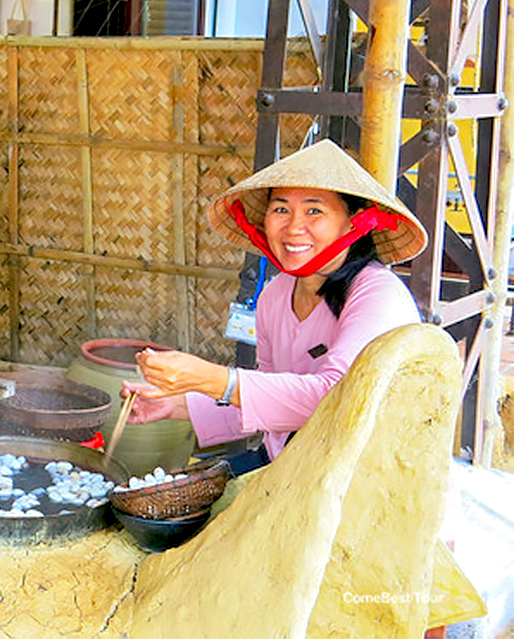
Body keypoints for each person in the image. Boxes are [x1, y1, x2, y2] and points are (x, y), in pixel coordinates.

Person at [122, 139, 428, 474]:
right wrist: (176, 404)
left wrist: (212, 379)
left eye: (314, 211)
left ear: (353, 222)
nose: (294, 227)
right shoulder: (275, 294)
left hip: (356, 478)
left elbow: (335, 398)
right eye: (281, 209)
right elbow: (272, 397)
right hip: (284, 464)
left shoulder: (378, 295)